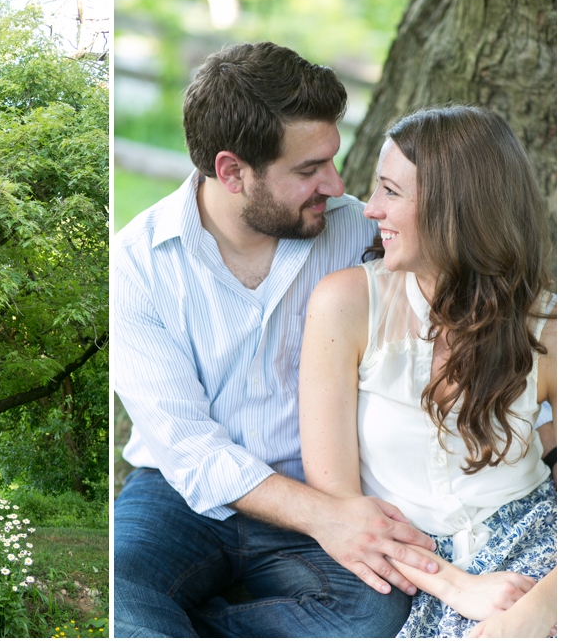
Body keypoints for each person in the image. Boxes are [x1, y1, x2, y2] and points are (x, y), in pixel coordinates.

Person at [114, 41, 443, 638]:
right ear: (232, 171)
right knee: (120, 595)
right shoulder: (135, 264)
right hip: (180, 498)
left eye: (331, 160)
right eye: (308, 170)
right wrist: (331, 521)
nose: (337, 183)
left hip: (327, 484)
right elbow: (188, 448)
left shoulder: (359, 236)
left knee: (375, 617)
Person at [299, 105, 556, 638]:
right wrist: (454, 584)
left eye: (391, 192)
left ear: (454, 208)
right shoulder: (347, 305)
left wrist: (542, 606)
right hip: (414, 571)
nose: (369, 210)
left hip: (541, 540)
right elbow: (338, 505)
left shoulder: (545, 323)